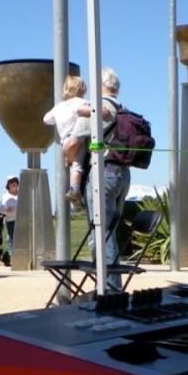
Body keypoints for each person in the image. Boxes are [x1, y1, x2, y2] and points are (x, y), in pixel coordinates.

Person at [84, 67, 129, 291]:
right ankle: (109, 284)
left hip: (103, 172)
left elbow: (75, 140)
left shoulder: (98, 108)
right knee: (109, 231)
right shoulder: (122, 109)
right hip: (123, 174)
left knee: (101, 233)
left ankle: (110, 289)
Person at [43, 75, 95, 210]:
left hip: (64, 140)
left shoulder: (59, 106)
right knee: (77, 166)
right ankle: (75, 190)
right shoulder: (81, 102)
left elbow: (46, 119)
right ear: (82, 89)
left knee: (73, 163)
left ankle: (74, 186)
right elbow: (91, 111)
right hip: (78, 139)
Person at [0, 175, 19, 266]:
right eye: (11, 182)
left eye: (15, 181)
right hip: (10, 220)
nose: (13, 184)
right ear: (8, 184)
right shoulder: (5, 196)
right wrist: (7, 210)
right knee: (11, 238)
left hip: (21, 220)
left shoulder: (22, 194)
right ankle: (11, 257)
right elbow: (1, 210)